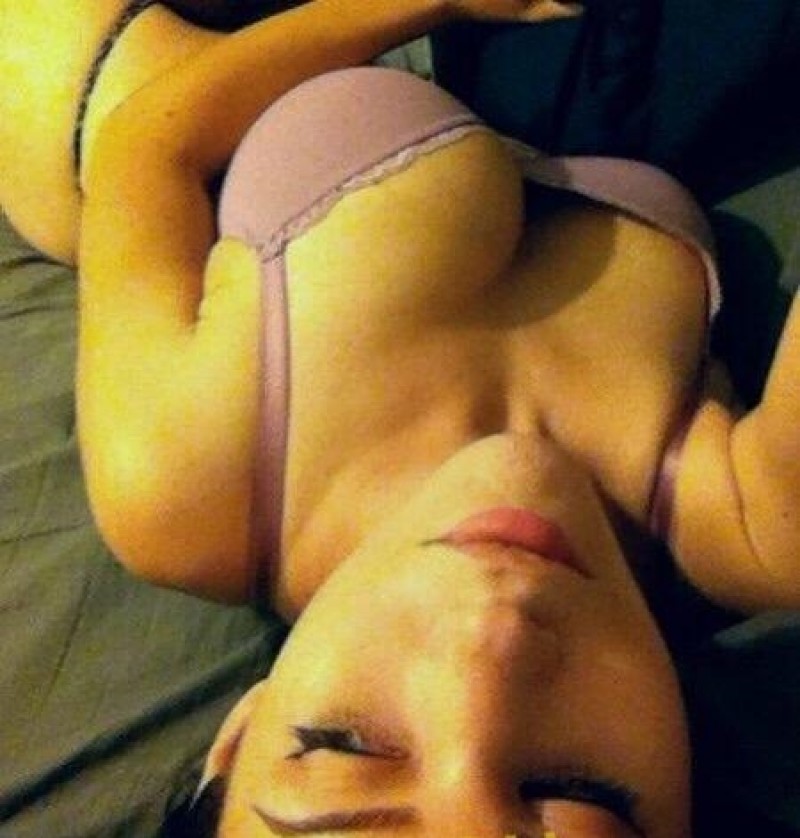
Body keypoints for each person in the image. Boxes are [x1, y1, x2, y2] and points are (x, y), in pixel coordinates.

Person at [3, 2, 800, 836]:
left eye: (344, 748)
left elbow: (145, 149)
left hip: (188, 86)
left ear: (239, 738)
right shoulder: (750, 521)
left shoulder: (180, 485)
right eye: (576, 792)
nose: (488, 633)